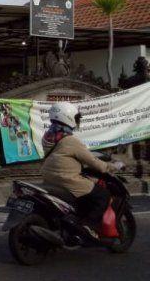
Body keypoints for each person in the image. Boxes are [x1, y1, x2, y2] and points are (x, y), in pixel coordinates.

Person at [40, 101, 123, 240]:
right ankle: (88, 226)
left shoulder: (48, 136)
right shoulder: (70, 140)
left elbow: (65, 155)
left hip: (50, 179)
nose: (77, 121)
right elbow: (93, 162)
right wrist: (113, 166)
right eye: (76, 118)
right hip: (67, 180)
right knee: (103, 196)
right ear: (67, 117)